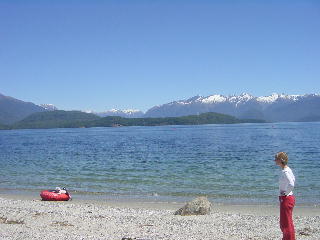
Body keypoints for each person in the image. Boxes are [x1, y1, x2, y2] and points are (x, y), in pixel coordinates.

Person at [274, 152, 296, 240]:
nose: (275, 160)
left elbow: (291, 184)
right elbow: (293, 179)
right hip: (289, 198)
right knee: (287, 221)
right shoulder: (288, 169)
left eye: (276, 159)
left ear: (281, 160)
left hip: (286, 199)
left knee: (285, 222)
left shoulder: (285, 171)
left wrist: (285, 193)